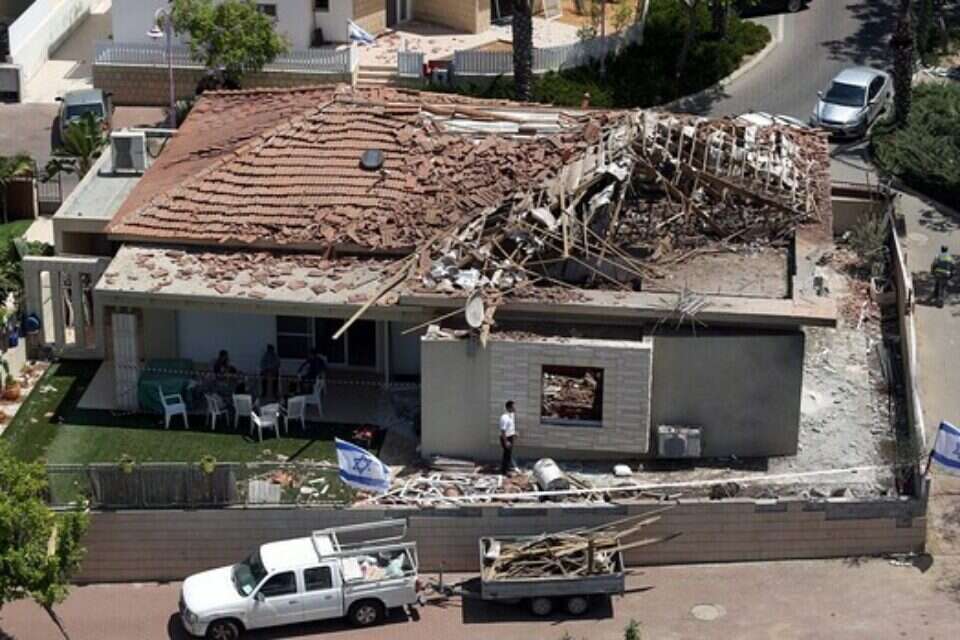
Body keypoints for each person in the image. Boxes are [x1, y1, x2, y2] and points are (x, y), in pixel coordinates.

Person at [499, 400, 518, 476]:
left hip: (510, 437)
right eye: (513, 407)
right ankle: (504, 471)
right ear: (509, 408)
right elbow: (503, 431)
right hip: (505, 438)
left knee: (509, 454)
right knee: (506, 455)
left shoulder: (511, 415)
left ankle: (507, 468)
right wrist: (506, 441)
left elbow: (510, 426)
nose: (515, 408)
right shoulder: (504, 417)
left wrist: (514, 433)